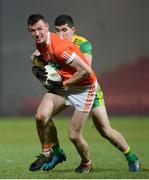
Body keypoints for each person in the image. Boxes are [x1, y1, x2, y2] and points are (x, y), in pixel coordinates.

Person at [27, 14, 97, 173]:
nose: (37, 34)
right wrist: (45, 69)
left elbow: (86, 71)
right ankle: (50, 153)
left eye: (40, 29)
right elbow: (38, 59)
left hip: (84, 89)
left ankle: (87, 163)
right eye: (33, 31)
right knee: (41, 117)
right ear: (29, 31)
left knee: (74, 136)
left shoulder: (59, 47)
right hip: (64, 86)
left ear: (46, 27)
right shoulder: (40, 44)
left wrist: (63, 82)